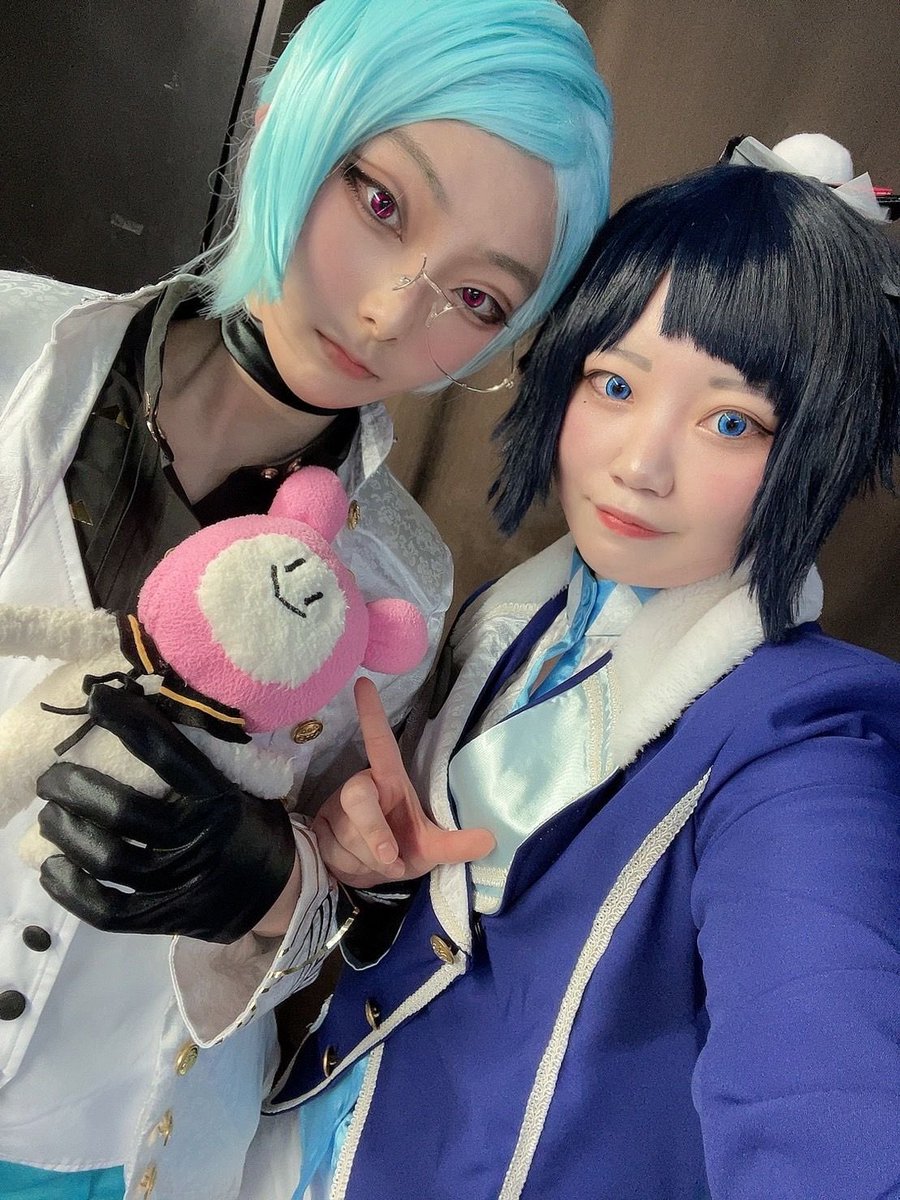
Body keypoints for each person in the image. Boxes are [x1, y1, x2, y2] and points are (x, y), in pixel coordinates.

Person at [196, 151, 896, 1197]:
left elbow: (830, 1111)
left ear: (819, 452)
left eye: (731, 421)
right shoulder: (515, 619)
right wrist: (373, 871)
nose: (640, 465)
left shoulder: (808, 748)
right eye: (615, 384)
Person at [0, 1, 612, 1196]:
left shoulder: (402, 588)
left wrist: (273, 884)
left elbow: (323, 916)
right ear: (286, 118)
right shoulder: (16, 350)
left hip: (105, 1148)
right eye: (380, 201)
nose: (389, 314)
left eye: (479, 299)